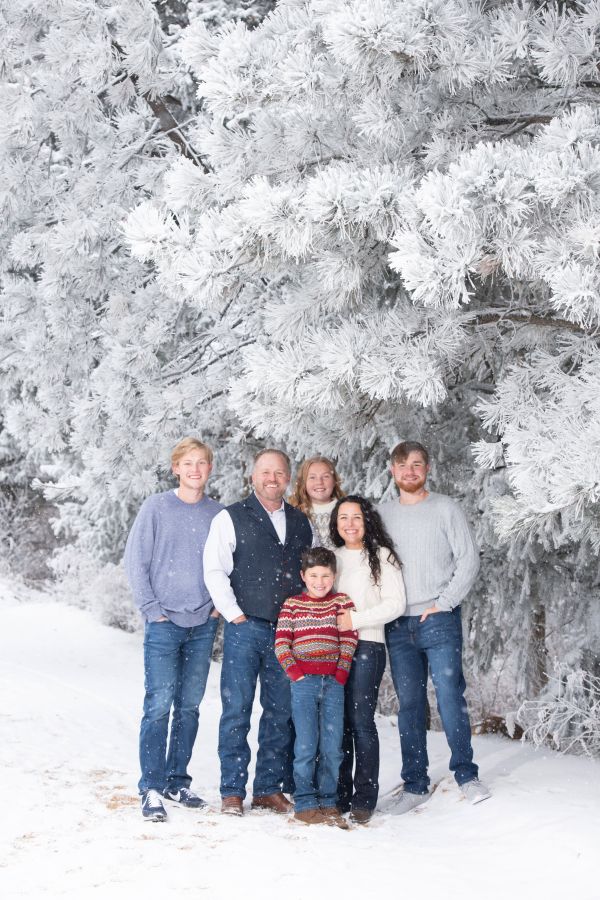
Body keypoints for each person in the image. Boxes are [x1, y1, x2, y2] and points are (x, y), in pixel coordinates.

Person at [379, 440, 490, 813]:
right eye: (402, 465)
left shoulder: (445, 508)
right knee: (409, 704)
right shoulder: (382, 514)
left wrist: (443, 604)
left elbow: (469, 560)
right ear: (392, 471)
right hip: (398, 623)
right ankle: (415, 783)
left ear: (427, 469)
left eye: (417, 464)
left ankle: (466, 774)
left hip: (438, 618)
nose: (410, 471)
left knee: (448, 696)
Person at [203, 449, 313, 816]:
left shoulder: (300, 522)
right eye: (265, 472)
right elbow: (215, 571)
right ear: (253, 476)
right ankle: (232, 790)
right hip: (245, 627)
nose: (272, 478)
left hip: (286, 632)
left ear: (287, 478)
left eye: (279, 472)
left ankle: (268, 787)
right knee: (237, 709)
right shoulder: (230, 517)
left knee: (279, 712)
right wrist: (234, 615)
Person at [124, 437, 223, 822]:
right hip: (163, 622)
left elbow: (228, 565)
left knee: (189, 706)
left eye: (202, 462)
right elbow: (136, 561)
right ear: (176, 468)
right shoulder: (156, 508)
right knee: (159, 705)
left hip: (202, 624)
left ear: (209, 469)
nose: (195, 469)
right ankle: (150, 786)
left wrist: (216, 607)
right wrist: (152, 609)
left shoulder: (218, 514)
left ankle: (176, 781)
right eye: (188, 463)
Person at [331, 495, 406, 823]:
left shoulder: (382, 556)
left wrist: (355, 620)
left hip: (366, 646)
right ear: (336, 522)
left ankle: (364, 797)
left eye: (356, 518)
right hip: (332, 649)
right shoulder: (331, 558)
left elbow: (395, 604)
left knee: (361, 721)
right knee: (339, 724)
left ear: (367, 521)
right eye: (343, 517)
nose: (350, 524)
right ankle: (339, 793)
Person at [275, 547, 358, 829]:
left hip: (333, 683)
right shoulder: (292, 605)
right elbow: (281, 643)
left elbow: (349, 638)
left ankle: (328, 801)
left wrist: (341, 673)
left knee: (333, 747)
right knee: (307, 745)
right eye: (313, 575)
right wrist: (295, 674)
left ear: (334, 576)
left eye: (325, 575)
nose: (320, 581)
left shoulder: (341, 601)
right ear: (303, 576)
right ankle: (306, 803)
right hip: (303, 684)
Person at [288, 455, 344, 549]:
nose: (319, 482)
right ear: (303, 483)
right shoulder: (294, 514)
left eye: (326, 476)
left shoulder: (346, 510)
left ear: (334, 481)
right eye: (312, 477)